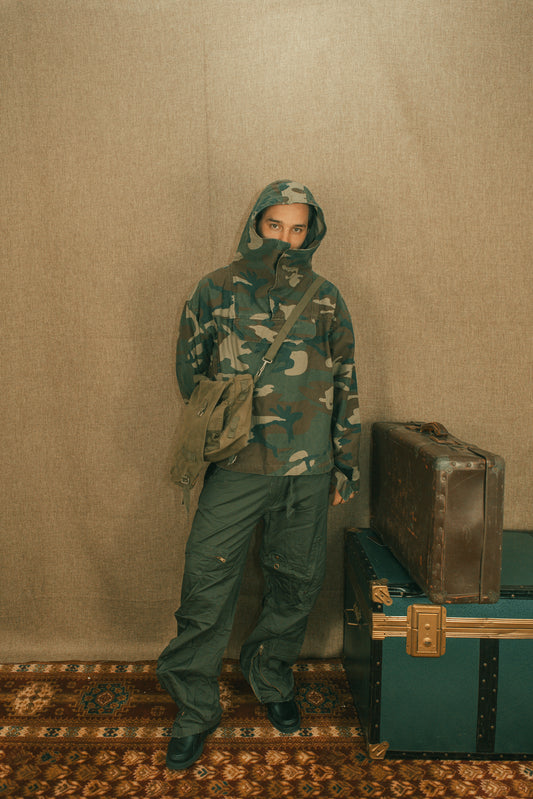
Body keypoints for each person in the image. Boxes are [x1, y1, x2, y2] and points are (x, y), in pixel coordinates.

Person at [157, 180, 361, 770]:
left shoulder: (326, 298)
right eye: (276, 226)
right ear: (256, 224)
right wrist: (229, 425)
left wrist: (343, 463)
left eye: (298, 229)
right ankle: (194, 709)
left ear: (311, 233)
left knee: (296, 582)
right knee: (205, 583)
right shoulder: (215, 289)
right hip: (239, 466)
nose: (286, 240)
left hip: (309, 469)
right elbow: (191, 375)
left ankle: (271, 678)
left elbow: (346, 381)